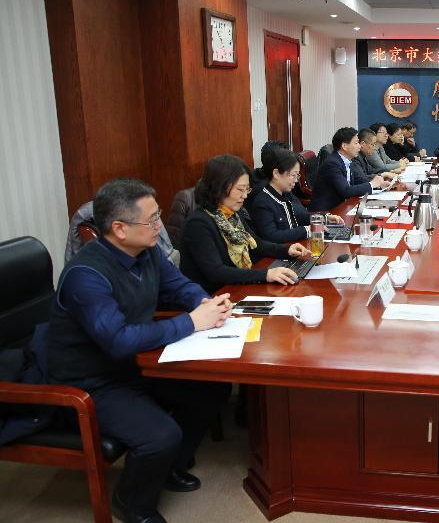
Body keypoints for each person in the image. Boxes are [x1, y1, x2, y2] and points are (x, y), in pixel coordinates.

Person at [46, 178, 233, 523]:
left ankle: (169, 467)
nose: (160, 225)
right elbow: (118, 341)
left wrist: (205, 303)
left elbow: (180, 286)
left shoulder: (146, 252)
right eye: (151, 220)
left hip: (136, 364)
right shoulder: (86, 275)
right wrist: (192, 322)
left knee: (211, 390)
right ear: (119, 228)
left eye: (158, 215)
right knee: (161, 436)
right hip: (91, 381)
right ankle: (131, 503)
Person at [181, 155, 310, 294]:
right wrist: (266, 274)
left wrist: (286, 250)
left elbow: (255, 243)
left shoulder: (232, 213)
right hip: (213, 296)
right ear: (219, 187)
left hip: (238, 287)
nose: (245, 196)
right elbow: (216, 272)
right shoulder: (198, 224)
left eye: (247, 189)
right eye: (240, 189)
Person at [248, 147, 344, 244]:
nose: (296, 180)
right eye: (293, 175)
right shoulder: (263, 203)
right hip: (283, 250)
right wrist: (308, 230)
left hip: (296, 245)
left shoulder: (286, 193)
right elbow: (272, 236)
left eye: (297, 175)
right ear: (276, 173)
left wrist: (323, 218)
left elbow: (301, 215)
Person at [311, 127, 389, 212]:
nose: (359, 146)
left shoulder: (347, 160)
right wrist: (372, 184)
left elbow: (359, 180)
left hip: (344, 206)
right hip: (328, 211)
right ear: (344, 146)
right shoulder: (332, 164)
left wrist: (379, 185)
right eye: (356, 143)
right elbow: (346, 191)